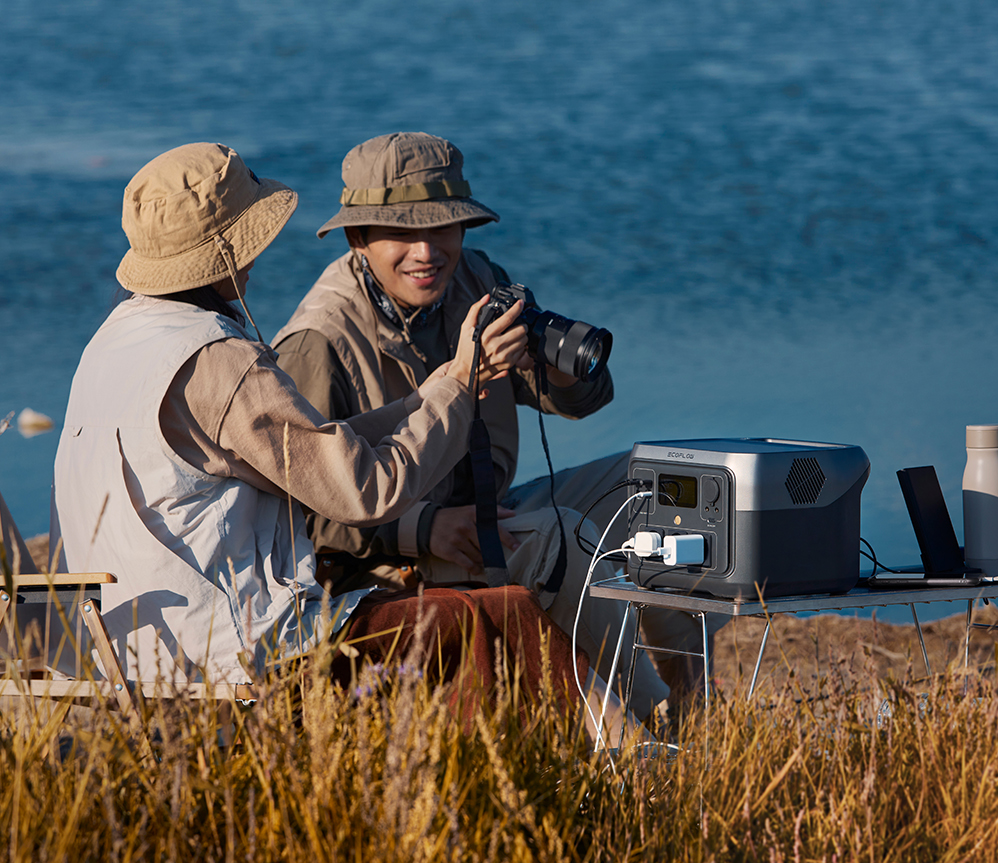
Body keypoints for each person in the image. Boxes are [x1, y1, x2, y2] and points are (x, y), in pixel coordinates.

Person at [50, 142, 615, 727]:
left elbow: (318, 446)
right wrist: (462, 386)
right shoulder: (220, 359)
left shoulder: (114, 344)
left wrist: (446, 379)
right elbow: (363, 492)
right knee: (502, 616)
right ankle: (633, 770)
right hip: (242, 657)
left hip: (132, 649)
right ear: (240, 244)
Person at [272, 132, 705, 717]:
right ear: (359, 238)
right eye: (403, 233)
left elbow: (582, 403)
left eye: (442, 228)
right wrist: (422, 528)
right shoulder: (318, 342)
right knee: (560, 533)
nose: (426, 252)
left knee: (662, 487)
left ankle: (693, 701)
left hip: (486, 510)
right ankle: (653, 729)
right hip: (386, 555)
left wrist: (559, 368)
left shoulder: (476, 281)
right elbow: (296, 513)